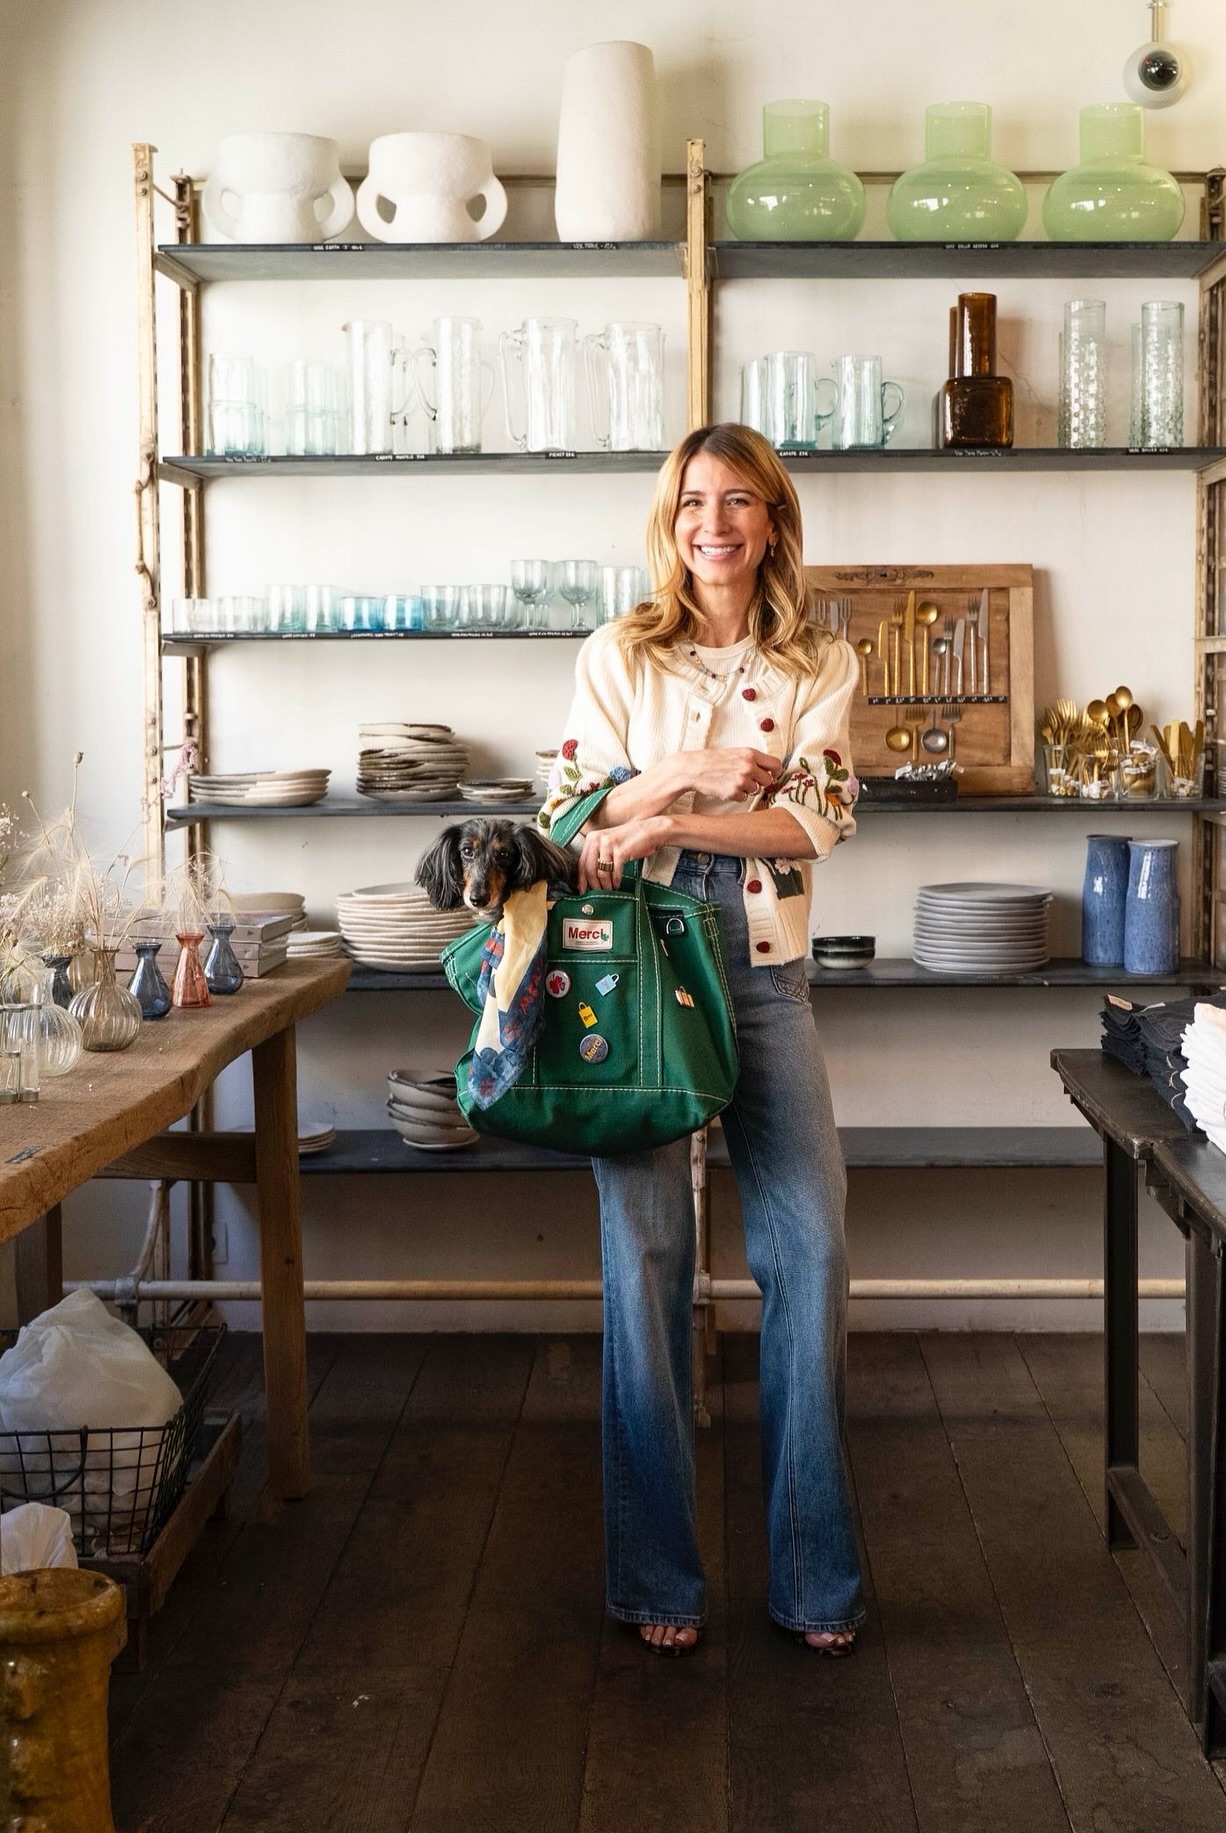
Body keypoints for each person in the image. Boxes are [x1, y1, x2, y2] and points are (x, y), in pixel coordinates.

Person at [538, 421, 864, 1657]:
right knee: (647, 1264)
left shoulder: (821, 660)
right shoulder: (620, 651)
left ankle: (813, 1579)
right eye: (690, 504)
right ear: (669, 525)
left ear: (771, 519)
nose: (712, 523)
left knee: (812, 1251)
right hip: (632, 973)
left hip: (761, 969)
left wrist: (679, 815)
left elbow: (815, 826)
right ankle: (658, 1580)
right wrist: (684, 772)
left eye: (736, 502)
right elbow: (568, 814)